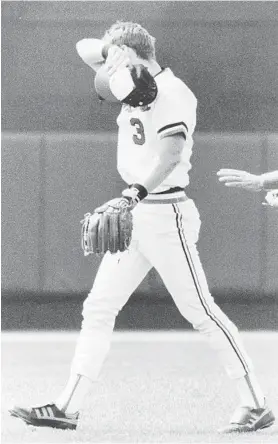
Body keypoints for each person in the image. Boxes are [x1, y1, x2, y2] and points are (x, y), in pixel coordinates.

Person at [10, 21, 275, 433]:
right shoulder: (129, 79)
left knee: (201, 310)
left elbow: (169, 155)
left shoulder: (173, 93)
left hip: (165, 211)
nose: (108, 66)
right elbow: (82, 48)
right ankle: (67, 407)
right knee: (98, 307)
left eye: (117, 57)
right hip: (136, 212)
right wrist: (108, 50)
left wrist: (132, 194)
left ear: (133, 55)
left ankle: (256, 403)